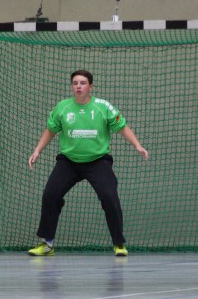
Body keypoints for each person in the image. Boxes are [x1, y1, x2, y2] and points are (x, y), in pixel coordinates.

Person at [28, 69, 149, 257]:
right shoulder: (63, 107)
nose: (78, 86)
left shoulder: (103, 106)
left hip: (98, 161)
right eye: (75, 83)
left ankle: (119, 244)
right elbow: (50, 130)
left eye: (83, 83)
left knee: (110, 196)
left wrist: (138, 146)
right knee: (50, 195)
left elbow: (122, 127)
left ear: (90, 87)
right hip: (68, 161)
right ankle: (47, 244)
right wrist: (37, 150)